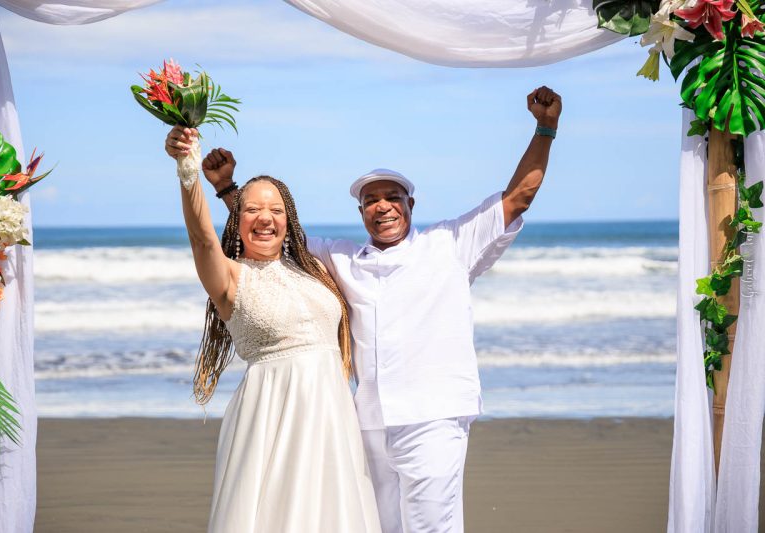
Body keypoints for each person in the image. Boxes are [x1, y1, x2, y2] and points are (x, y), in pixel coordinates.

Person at [173, 85, 562, 533]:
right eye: (371, 201)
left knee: (432, 527)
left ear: (410, 204)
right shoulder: (337, 259)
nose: (382, 206)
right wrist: (227, 190)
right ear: (361, 212)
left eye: (392, 197)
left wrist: (545, 128)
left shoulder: (451, 244)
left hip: (432, 415)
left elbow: (518, 197)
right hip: (366, 422)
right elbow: (270, 235)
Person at [164, 133, 382, 532]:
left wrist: (229, 187)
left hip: (333, 413)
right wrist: (187, 170)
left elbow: (259, 220)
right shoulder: (229, 277)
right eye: (252, 210)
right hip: (272, 412)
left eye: (276, 210)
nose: (265, 217)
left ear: (289, 219)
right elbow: (201, 238)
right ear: (237, 219)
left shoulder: (313, 269)